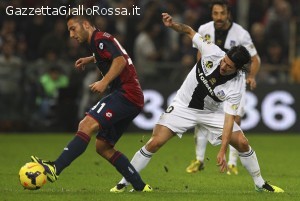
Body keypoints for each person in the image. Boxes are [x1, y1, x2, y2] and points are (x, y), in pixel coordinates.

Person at [110, 13, 284, 193]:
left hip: (211, 112)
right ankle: (125, 181)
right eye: (225, 61)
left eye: (229, 66)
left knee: (242, 142)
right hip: (183, 106)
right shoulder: (212, 51)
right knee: (155, 142)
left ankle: (260, 183)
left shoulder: (237, 84)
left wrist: (222, 150)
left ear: (238, 69)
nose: (223, 66)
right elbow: (189, 30)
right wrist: (172, 25)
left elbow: (229, 119)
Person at [30, 9, 152, 192]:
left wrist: (104, 81)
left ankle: (55, 168)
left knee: (86, 124)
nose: (71, 35)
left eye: (73, 29)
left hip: (126, 94)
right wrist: (90, 59)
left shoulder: (100, 39)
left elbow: (119, 61)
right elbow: (112, 54)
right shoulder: (99, 41)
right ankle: (141, 187)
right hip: (132, 97)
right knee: (103, 147)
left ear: (85, 24)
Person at [186, 0, 261, 175]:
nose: (218, 17)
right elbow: (200, 53)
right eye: (215, 13)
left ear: (228, 14)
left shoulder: (241, 33)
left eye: (222, 13)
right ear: (211, 14)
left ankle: (233, 163)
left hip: (234, 83)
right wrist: (200, 74)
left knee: (234, 119)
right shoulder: (204, 29)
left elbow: (255, 58)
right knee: (200, 116)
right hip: (211, 81)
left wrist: (251, 76)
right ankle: (199, 160)